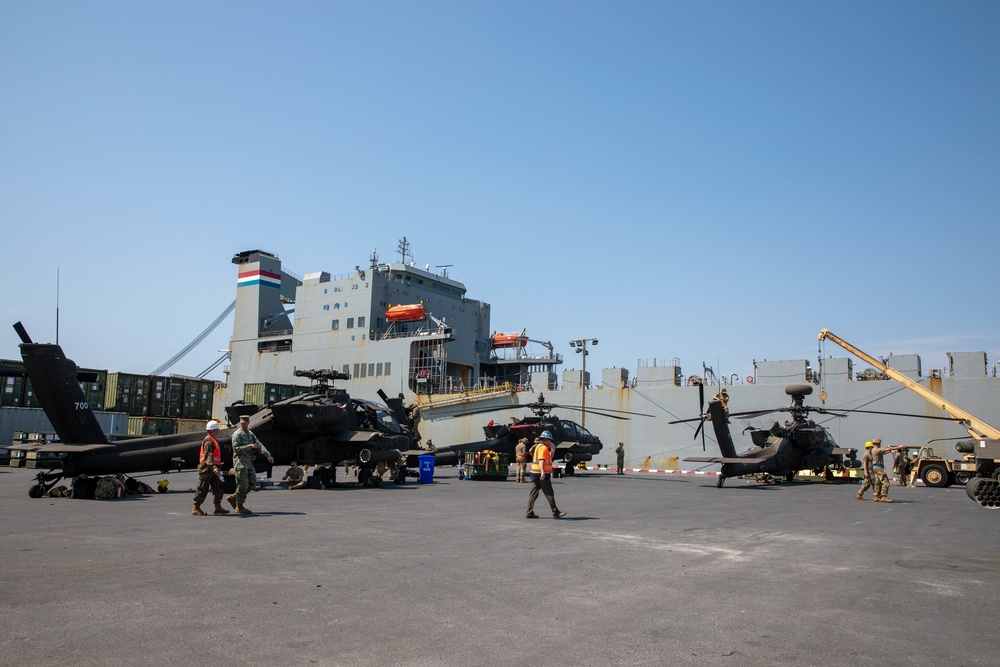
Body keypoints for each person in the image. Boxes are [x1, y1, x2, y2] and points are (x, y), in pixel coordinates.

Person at [227, 415, 273, 514]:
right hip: (240, 463)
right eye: (242, 423)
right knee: (242, 484)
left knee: (252, 482)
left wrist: (268, 455)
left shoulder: (250, 434)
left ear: (248, 423)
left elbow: (259, 444)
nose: (243, 425)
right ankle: (239, 505)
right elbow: (236, 449)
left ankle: (235, 497)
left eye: (245, 423)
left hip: (248, 462)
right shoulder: (237, 434)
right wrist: (250, 446)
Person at [525, 431, 567, 519]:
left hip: (535, 473)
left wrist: (553, 449)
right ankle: (556, 512)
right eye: (550, 441)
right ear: (547, 440)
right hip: (542, 474)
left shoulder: (539, 447)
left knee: (533, 494)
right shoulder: (543, 448)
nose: (551, 443)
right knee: (549, 494)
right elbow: (541, 460)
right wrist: (543, 472)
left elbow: (549, 458)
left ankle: (529, 512)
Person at [192, 420, 229, 516]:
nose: (218, 431)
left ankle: (217, 507)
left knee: (218, 487)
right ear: (213, 430)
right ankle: (196, 507)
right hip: (207, 469)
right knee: (203, 488)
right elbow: (209, 457)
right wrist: (214, 467)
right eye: (217, 429)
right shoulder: (209, 442)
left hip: (213, 468)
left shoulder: (212, 440)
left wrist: (217, 464)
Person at [870, 438, 906, 502]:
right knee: (886, 482)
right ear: (879, 443)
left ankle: (876, 496)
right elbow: (887, 449)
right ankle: (884, 496)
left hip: (875, 467)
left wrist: (889, 450)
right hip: (879, 467)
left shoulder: (873, 450)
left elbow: (884, 452)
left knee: (878, 482)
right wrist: (899, 447)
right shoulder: (877, 449)